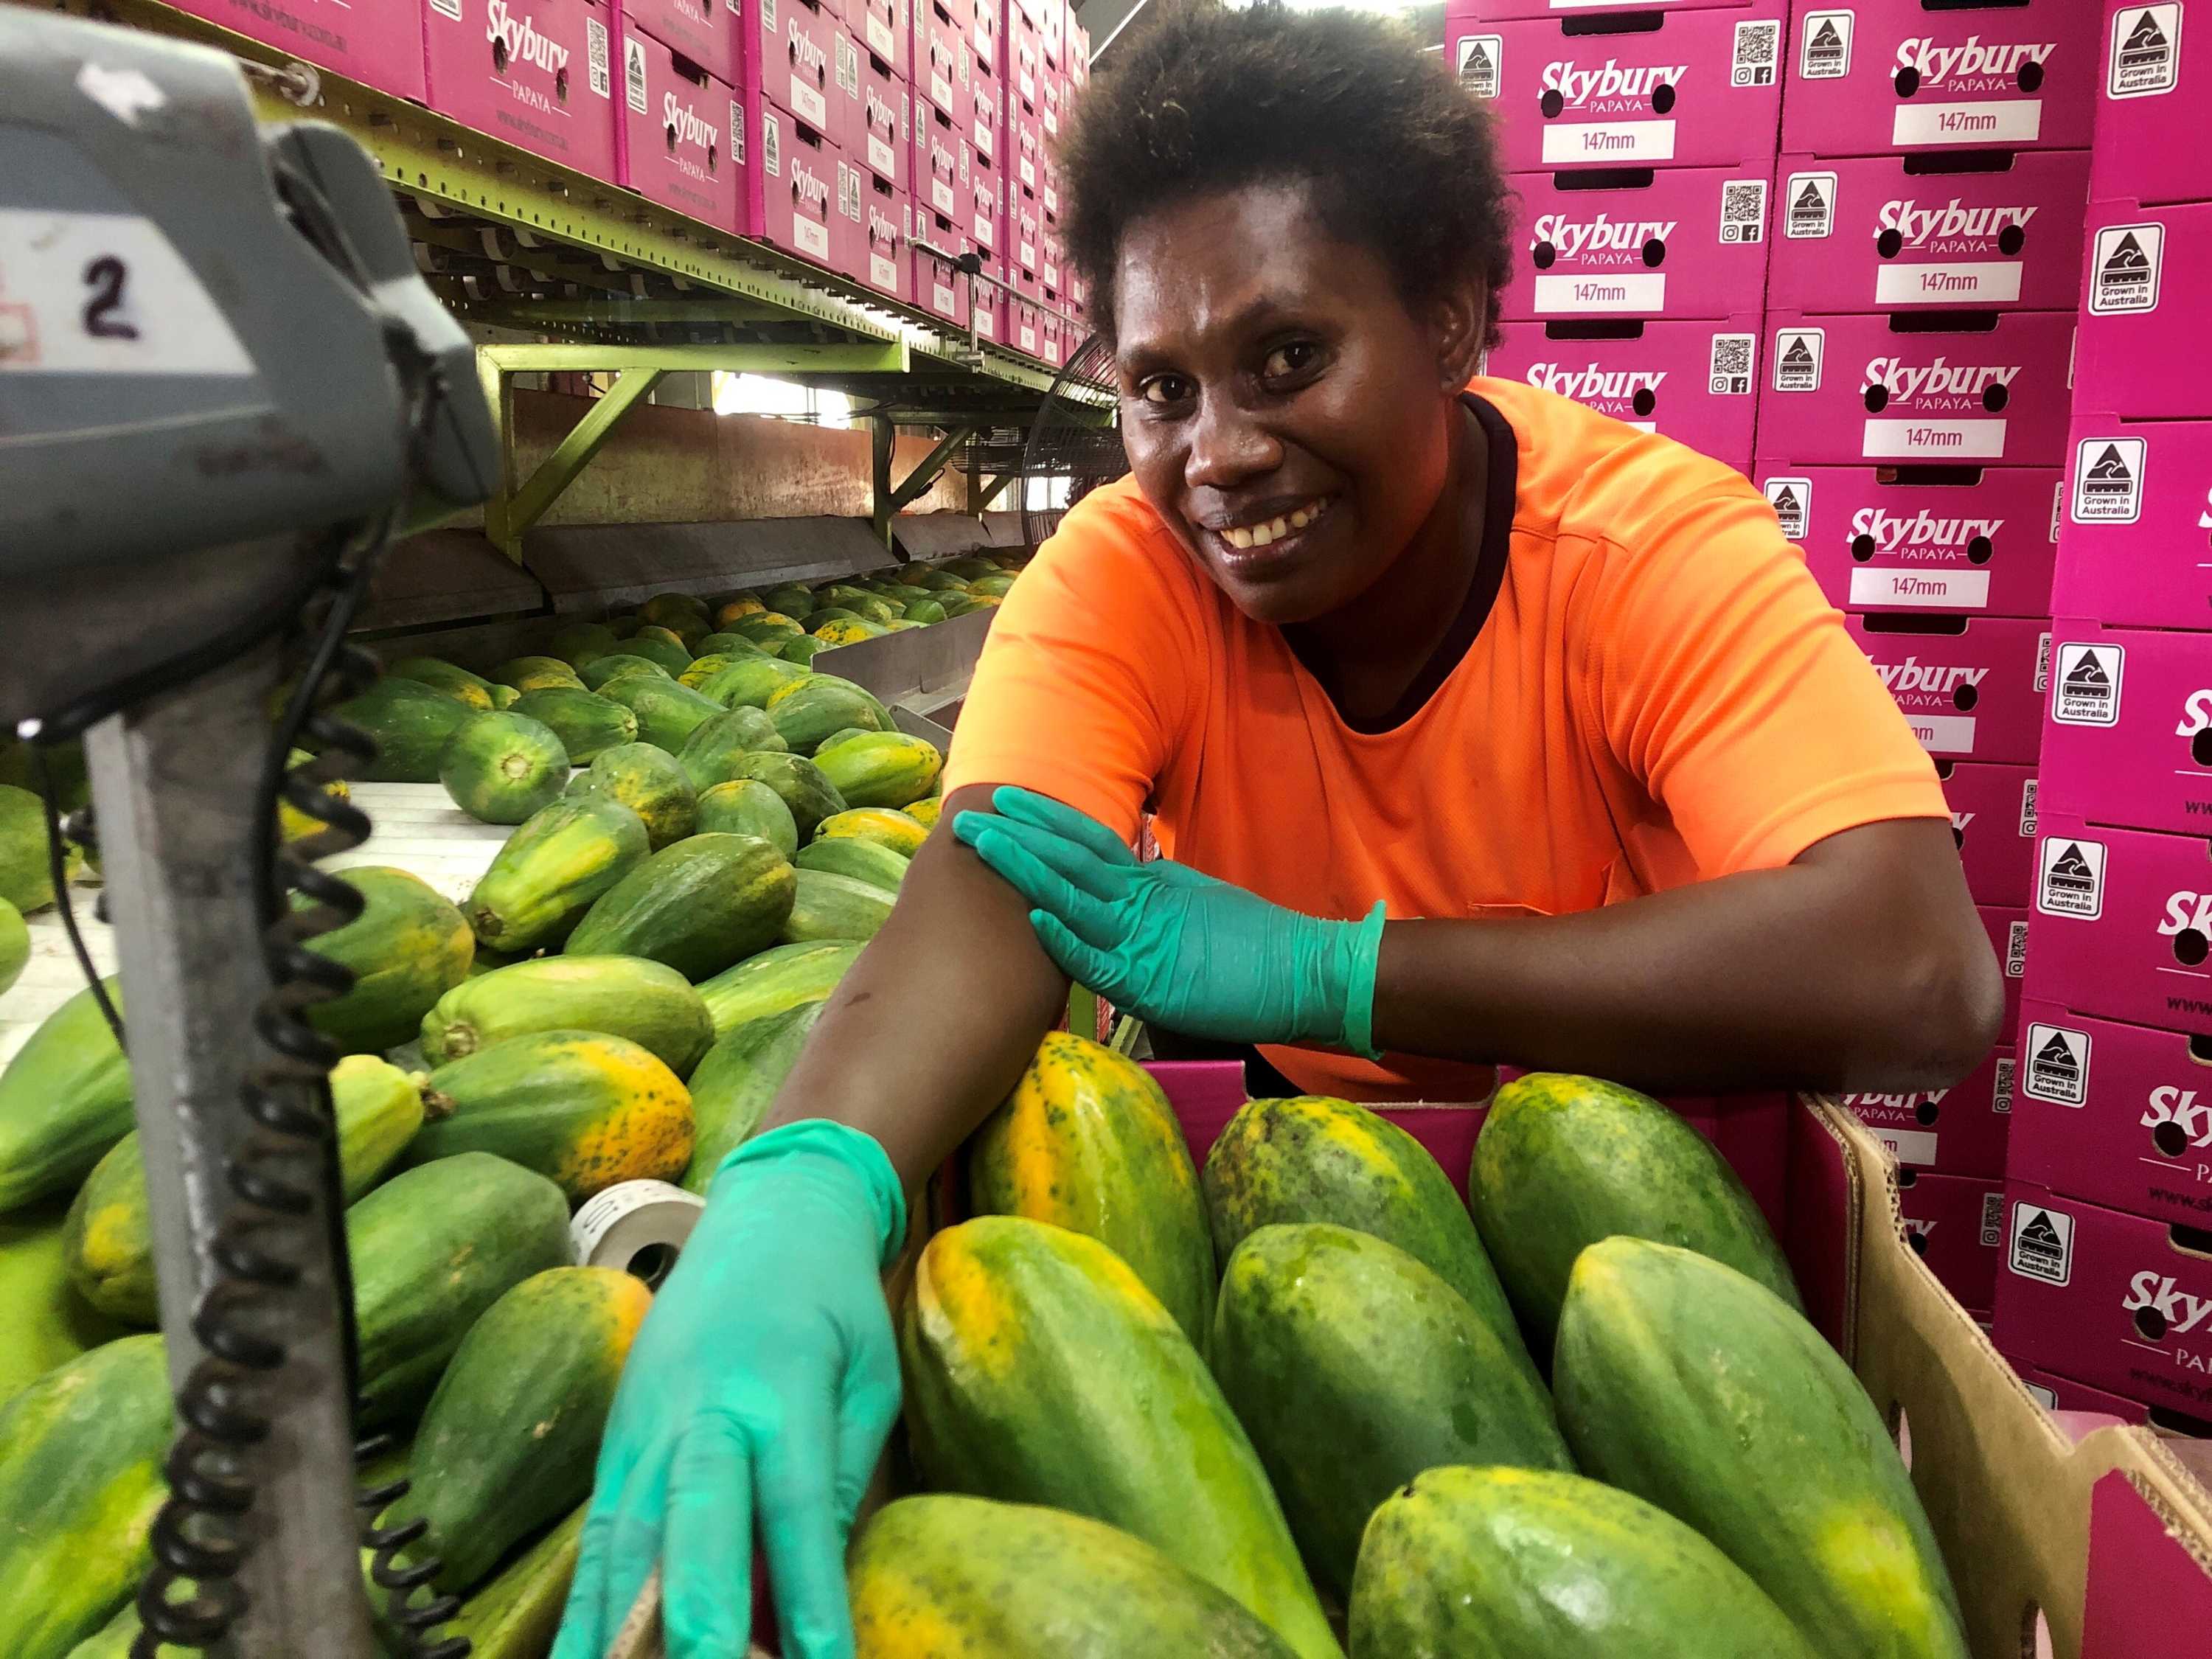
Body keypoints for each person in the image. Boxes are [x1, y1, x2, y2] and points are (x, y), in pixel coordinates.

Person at [552, 5, 2005, 1655]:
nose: (1221, 455)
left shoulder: (1646, 549)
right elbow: (984, 897)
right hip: (1286, 1191)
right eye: (1158, 388)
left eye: (1289, 358)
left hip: (1643, 1195)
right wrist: (809, 1179)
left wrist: (1342, 973)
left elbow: (1918, 968)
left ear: (1452, 319)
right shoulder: (1126, 573)